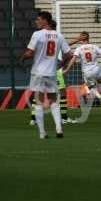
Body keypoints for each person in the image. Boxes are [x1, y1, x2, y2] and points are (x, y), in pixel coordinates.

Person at [19, 11, 71, 139]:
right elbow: (68, 54)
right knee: (54, 101)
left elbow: (30, 53)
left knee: (39, 102)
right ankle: (59, 129)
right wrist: (62, 64)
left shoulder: (37, 34)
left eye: (38, 19)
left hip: (38, 73)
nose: (36, 22)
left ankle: (42, 133)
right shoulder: (59, 35)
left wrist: (22, 57)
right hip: (52, 73)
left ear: (45, 20)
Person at [29, 20, 79, 126]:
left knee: (38, 94)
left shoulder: (41, 37)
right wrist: (78, 40)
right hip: (54, 69)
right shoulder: (58, 37)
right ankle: (64, 118)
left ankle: (33, 119)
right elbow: (67, 50)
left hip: (41, 70)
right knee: (62, 93)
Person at [63, 31, 101, 104]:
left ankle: (99, 96)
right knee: (100, 81)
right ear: (88, 37)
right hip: (97, 69)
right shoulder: (94, 46)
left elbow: (73, 60)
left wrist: (67, 69)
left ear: (82, 38)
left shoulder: (79, 48)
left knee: (90, 86)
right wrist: (96, 55)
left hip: (87, 71)